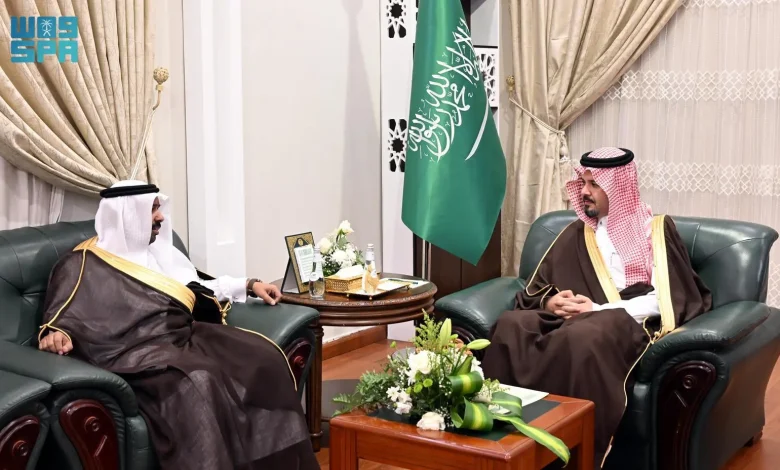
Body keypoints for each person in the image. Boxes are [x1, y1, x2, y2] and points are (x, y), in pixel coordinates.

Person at [37, 180, 318, 469]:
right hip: (131, 354)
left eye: (158, 208)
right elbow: (61, 312)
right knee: (199, 380)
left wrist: (248, 284)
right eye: (152, 210)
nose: (160, 217)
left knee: (263, 358)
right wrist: (56, 333)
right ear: (128, 214)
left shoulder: (160, 252)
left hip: (181, 335)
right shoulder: (81, 262)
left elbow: (195, 286)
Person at [481, 147, 712, 467]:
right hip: (572, 316)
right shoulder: (577, 232)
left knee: (582, 338)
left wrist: (598, 309)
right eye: (583, 183)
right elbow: (538, 287)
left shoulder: (655, 230)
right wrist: (551, 301)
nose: (584, 192)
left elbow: (666, 298)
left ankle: (570, 452)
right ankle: (498, 441)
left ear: (618, 187)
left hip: (623, 320)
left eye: (595, 184)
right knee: (512, 325)